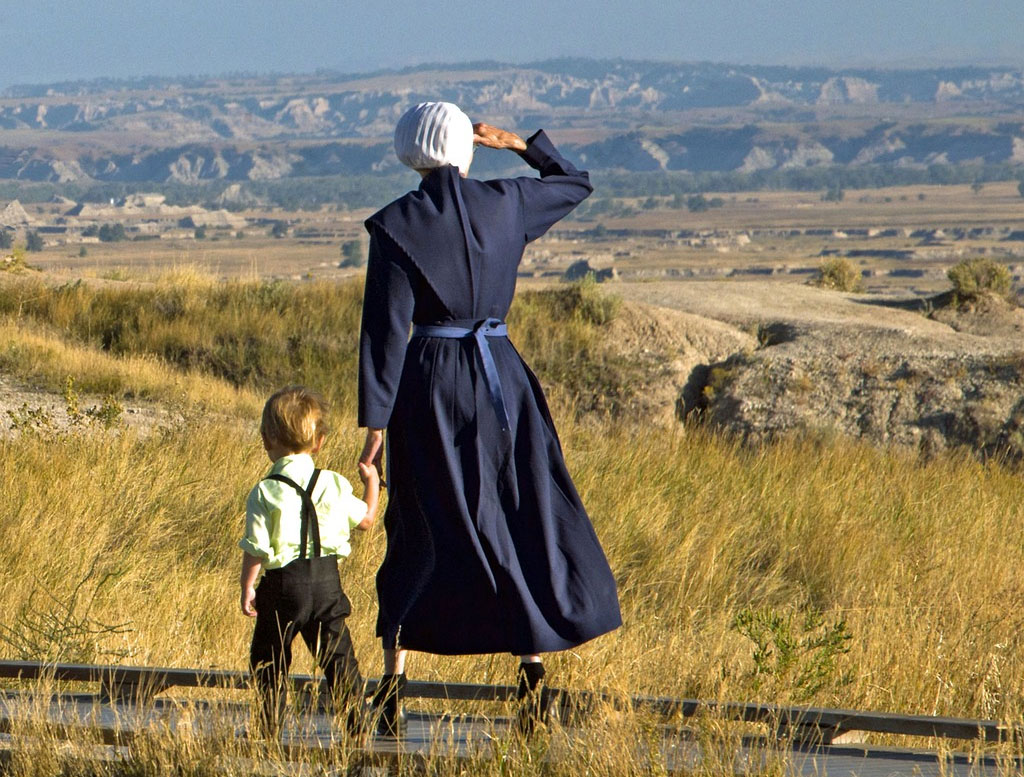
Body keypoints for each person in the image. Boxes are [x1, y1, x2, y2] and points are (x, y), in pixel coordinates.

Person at [358, 102, 622, 737]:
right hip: (503, 378)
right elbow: (575, 182)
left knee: (418, 525)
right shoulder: (508, 202)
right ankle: (532, 680)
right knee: (515, 516)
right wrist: (520, 145)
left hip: (429, 385)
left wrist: (374, 428)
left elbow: (384, 336)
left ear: (408, 150)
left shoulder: (395, 224)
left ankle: (392, 689)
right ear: (465, 148)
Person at [239, 386, 380, 735]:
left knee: (269, 658)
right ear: (319, 442)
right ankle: (358, 725)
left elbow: (256, 547)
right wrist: (373, 483)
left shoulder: (265, 490)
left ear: (266, 439)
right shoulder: (333, 483)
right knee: (339, 660)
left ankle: (268, 726)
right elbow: (366, 520)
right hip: (327, 586)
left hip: (283, 587)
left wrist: (248, 587)